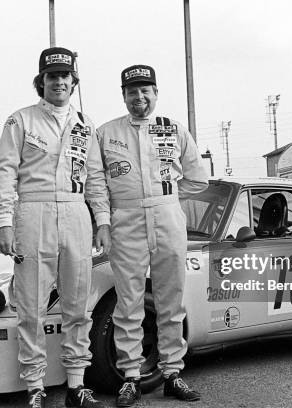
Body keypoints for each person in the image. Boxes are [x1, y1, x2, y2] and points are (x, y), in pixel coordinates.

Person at [0, 46, 111, 408]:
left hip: (76, 214)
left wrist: (103, 221)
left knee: (78, 305)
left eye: (65, 76)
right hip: (33, 213)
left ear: (74, 82)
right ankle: (35, 387)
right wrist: (4, 222)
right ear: (40, 81)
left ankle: (76, 386)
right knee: (31, 306)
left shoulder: (85, 124)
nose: (58, 82)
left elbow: (95, 177)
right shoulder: (20, 120)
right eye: (51, 76)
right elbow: (4, 172)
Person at [96, 65, 209, 407]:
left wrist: (168, 199)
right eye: (132, 91)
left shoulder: (174, 130)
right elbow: (96, 183)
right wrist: (105, 217)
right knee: (128, 302)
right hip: (125, 219)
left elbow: (198, 179)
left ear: (156, 93)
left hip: (167, 215)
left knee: (170, 300)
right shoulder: (105, 133)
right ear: (124, 95)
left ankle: (173, 373)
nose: (139, 97)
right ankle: (131, 377)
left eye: (146, 90)